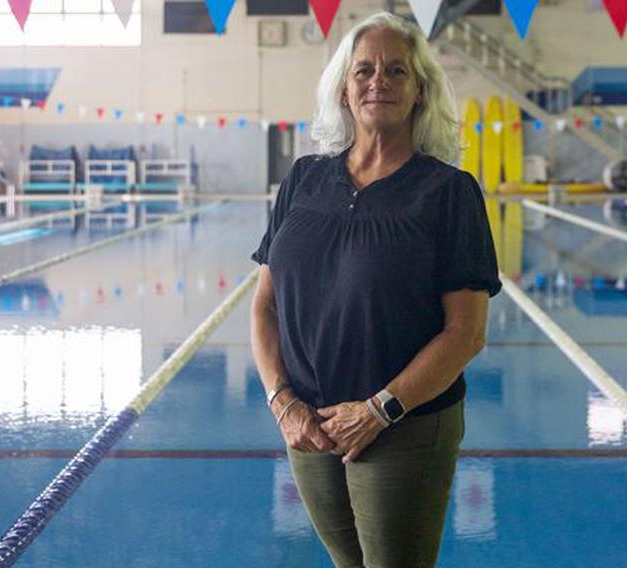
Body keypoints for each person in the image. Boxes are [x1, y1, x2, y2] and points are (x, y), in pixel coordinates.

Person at [250, 12, 501, 568]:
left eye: (396, 70)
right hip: (309, 426)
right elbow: (264, 306)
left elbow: (467, 333)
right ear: (344, 88)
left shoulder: (448, 192)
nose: (377, 81)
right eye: (363, 70)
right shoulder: (304, 179)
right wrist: (282, 400)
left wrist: (380, 409)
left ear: (420, 92)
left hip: (403, 425)